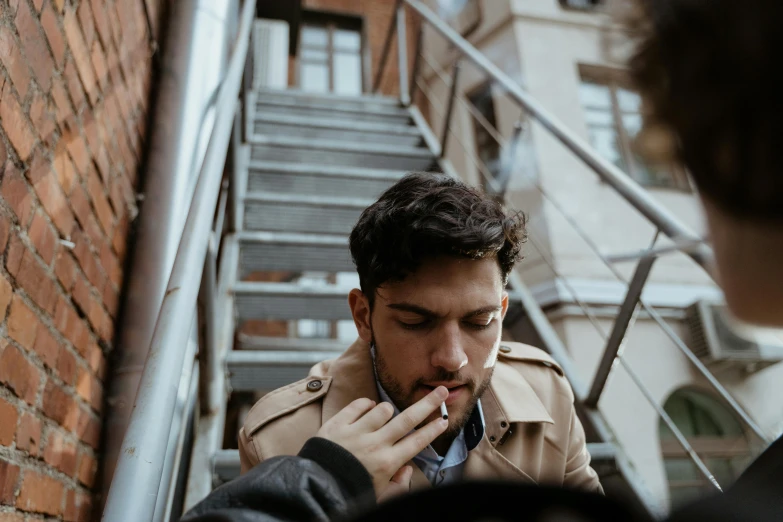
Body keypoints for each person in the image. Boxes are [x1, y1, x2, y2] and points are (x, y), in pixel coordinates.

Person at [236, 172, 602, 497]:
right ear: (364, 317)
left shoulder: (546, 390)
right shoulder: (277, 441)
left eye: (479, 322)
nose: (452, 357)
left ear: (502, 312)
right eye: (416, 322)